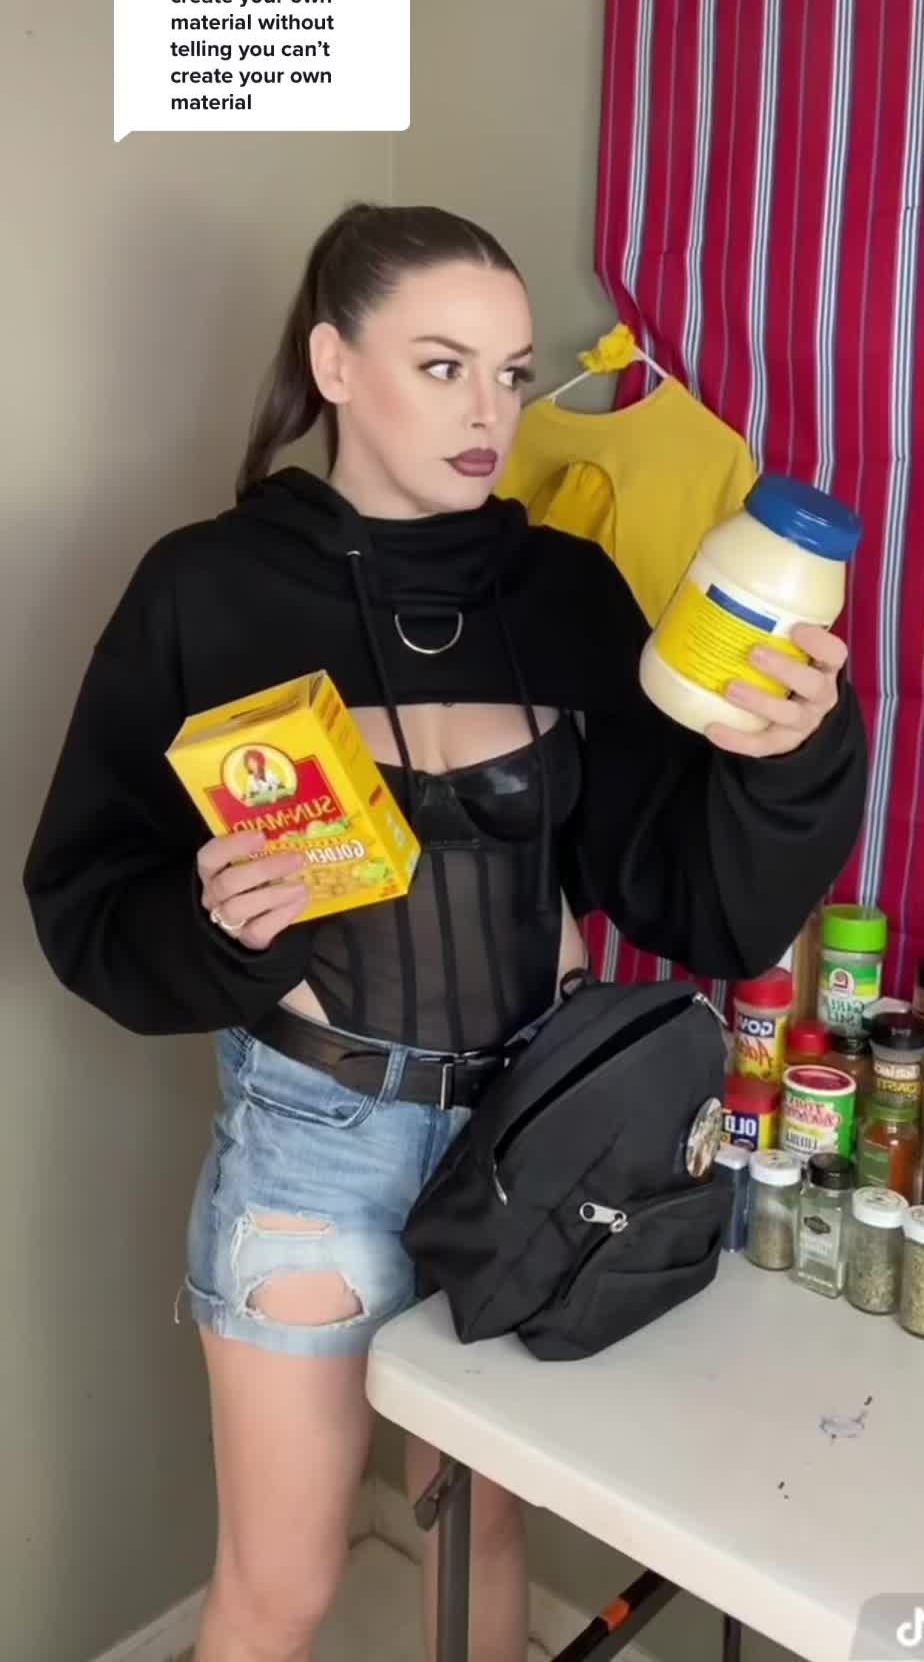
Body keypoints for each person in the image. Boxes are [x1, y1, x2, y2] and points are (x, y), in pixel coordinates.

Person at [23, 203, 868, 1662]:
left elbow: (692, 901)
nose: (490, 414)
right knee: (279, 1590)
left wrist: (792, 757)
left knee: (480, 1551)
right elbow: (85, 896)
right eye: (441, 366)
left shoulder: (565, 591)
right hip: (317, 1150)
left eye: (512, 373)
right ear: (333, 365)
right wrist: (221, 929)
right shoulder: (206, 590)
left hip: (539, 1138)